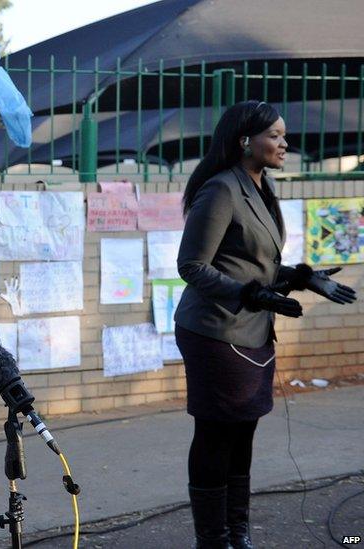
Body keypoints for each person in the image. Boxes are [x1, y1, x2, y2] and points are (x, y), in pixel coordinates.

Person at [176, 100, 356, 549]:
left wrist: (297, 278)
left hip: (254, 331)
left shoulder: (259, 189)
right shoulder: (221, 189)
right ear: (244, 141)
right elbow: (192, 266)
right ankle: (213, 539)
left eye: (283, 135)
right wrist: (250, 294)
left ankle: (239, 532)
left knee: (244, 431)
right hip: (215, 331)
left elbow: (249, 265)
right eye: (274, 135)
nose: (284, 142)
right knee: (216, 433)